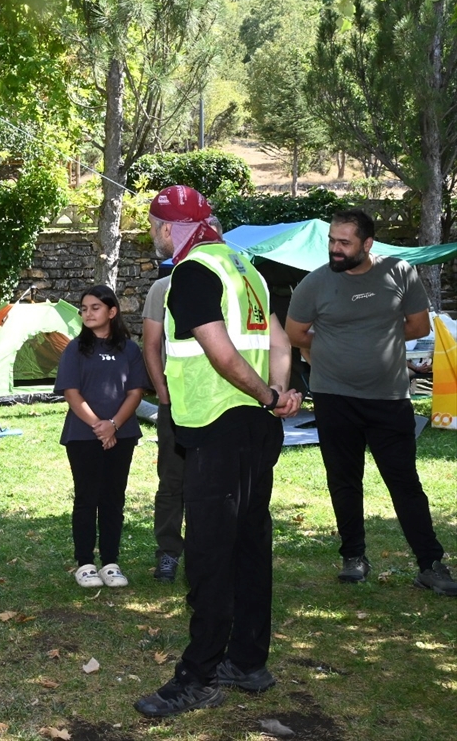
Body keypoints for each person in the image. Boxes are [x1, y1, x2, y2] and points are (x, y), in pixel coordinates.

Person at [134, 185, 302, 718]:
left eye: (155, 225)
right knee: (250, 546)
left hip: (216, 427)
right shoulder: (245, 268)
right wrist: (276, 394)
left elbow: (218, 349)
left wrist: (267, 394)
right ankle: (248, 661)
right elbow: (280, 342)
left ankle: (198, 676)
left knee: (208, 556)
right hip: (254, 431)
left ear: (170, 228)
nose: (154, 234)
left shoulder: (191, 273)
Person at [285, 210, 457, 595]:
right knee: (344, 481)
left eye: (344, 242)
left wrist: (372, 337)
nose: (335, 248)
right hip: (334, 398)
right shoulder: (315, 284)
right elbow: (296, 333)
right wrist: (336, 345)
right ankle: (354, 558)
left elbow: (418, 326)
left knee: (405, 484)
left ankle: (430, 565)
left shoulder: (399, 273)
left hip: (388, 398)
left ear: (367, 244)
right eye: (332, 240)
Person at [141, 216, 224, 584]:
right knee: (172, 482)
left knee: (216, 485)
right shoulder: (164, 286)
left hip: (222, 405)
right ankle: (169, 553)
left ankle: (212, 555)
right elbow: (151, 345)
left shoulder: (234, 281)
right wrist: (163, 393)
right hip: (177, 405)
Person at [55, 285, 148, 589]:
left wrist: (115, 425)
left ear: (112, 311)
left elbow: (136, 392)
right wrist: (99, 425)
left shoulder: (130, 349)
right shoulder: (74, 349)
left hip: (123, 435)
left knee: (113, 499)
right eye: (84, 308)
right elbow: (71, 392)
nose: (87, 313)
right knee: (86, 498)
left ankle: (110, 562)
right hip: (83, 436)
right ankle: (85, 563)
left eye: (95, 307)